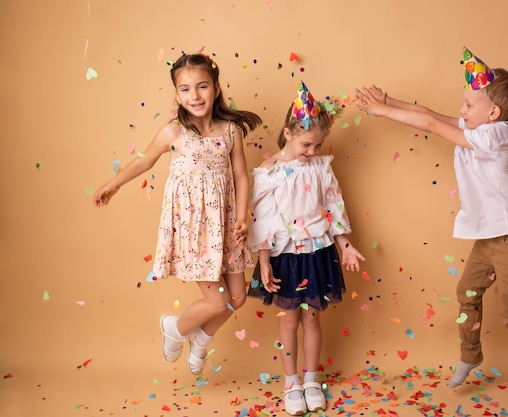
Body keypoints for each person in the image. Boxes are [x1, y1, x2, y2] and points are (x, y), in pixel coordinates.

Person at [355, 48, 508, 417]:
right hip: (491, 233)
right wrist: (386, 100)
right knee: (467, 292)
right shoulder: (477, 128)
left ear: (493, 114)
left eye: (469, 105)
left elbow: (428, 126)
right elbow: (427, 114)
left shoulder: (496, 137)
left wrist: (381, 112)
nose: (461, 111)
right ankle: (470, 356)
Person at [93, 53, 262, 375]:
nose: (194, 96)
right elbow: (143, 162)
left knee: (237, 298)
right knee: (216, 302)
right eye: (185, 89)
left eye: (201, 87)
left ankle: (201, 337)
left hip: (225, 225)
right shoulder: (174, 133)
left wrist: (242, 217)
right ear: (176, 94)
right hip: (193, 227)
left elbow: (241, 175)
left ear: (216, 88)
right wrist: (112, 185)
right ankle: (175, 328)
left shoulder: (230, 131)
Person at [247, 82, 365, 416]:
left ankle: (312, 379)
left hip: (316, 251)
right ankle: (291, 383)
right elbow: (263, 220)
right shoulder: (269, 174)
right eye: (306, 144)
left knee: (312, 318)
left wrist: (345, 245)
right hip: (285, 255)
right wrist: (264, 262)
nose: (312, 151)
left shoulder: (321, 168)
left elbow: (333, 207)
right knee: (288, 320)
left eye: (318, 145)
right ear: (288, 133)